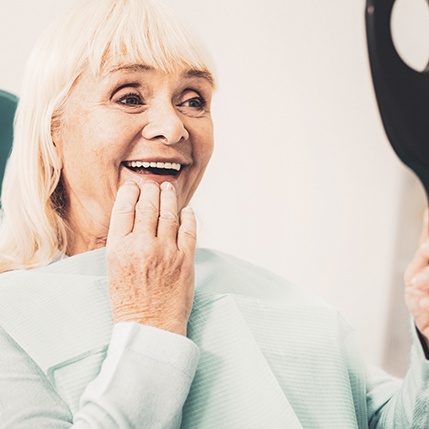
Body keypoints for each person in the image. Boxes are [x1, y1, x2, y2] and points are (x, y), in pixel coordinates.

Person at [0, 0, 428, 427]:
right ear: (52, 129)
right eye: (129, 97)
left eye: (193, 100)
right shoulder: (11, 319)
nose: (173, 127)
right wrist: (151, 325)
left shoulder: (276, 297)